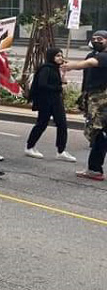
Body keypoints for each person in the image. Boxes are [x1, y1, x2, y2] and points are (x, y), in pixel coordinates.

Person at [63, 30, 107, 180]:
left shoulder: (103, 57)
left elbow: (89, 64)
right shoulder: (92, 55)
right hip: (92, 98)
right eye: (94, 39)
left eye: (100, 39)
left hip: (101, 103)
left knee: (98, 134)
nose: (96, 41)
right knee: (98, 135)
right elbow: (87, 76)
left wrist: (72, 66)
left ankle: (94, 169)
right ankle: (94, 169)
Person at [25, 48, 74, 161]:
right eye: (57, 55)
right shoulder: (46, 68)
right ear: (51, 57)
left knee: (62, 124)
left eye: (61, 55)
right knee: (42, 124)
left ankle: (61, 151)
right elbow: (42, 85)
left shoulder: (56, 68)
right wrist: (58, 87)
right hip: (46, 101)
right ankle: (29, 147)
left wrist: (61, 81)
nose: (60, 58)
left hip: (56, 101)